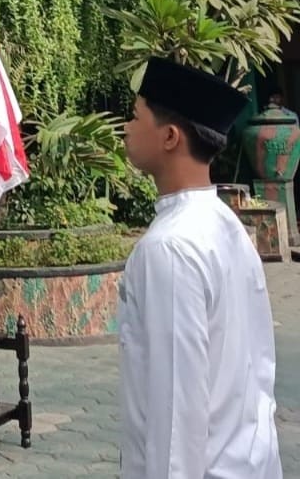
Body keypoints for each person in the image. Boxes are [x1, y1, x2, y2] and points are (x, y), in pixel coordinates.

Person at [119, 56, 281, 479]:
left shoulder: (169, 248)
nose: (126, 127)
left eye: (136, 117)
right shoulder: (225, 225)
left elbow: (176, 417)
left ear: (170, 136)